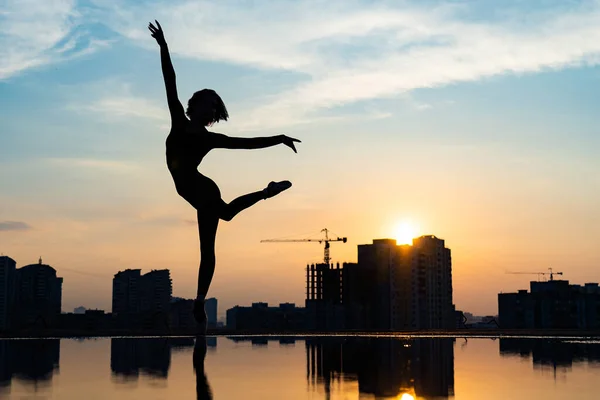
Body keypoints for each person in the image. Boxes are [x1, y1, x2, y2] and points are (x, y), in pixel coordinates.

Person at [148, 20, 300, 332]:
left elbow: (247, 143)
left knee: (222, 223)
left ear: (212, 113)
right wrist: (164, 47)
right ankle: (266, 193)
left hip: (200, 188)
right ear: (196, 105)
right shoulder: (179, 119)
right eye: (208, 101)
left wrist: (279, 138)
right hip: (191, 188)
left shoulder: (210, 138)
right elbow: (169, 80)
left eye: (214, 105)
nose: (211, 107)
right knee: (218, 232)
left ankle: (200, 300)